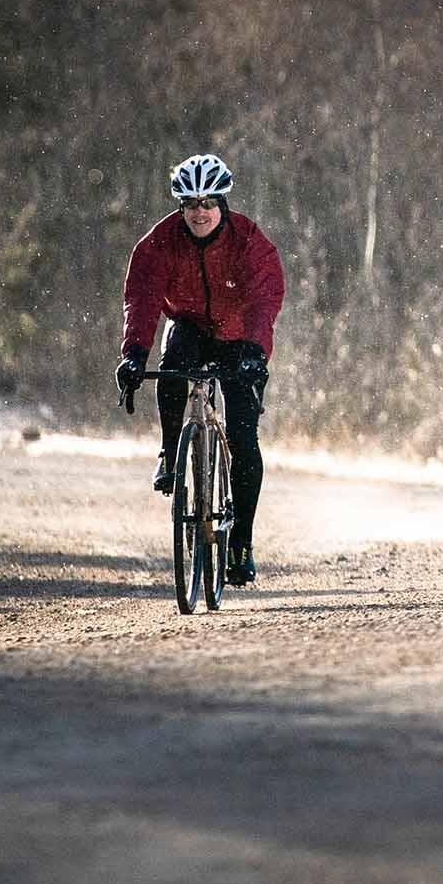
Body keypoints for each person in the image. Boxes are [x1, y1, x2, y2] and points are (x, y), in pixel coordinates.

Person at [116, 153, 286, 586]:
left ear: (223, 203)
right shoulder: (158, 243)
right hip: (188, 325)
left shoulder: (249, 240)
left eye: (208, 202)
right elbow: (142, 299)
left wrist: (255, 352)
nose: (199, 212)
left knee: (244, 438)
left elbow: (266, 300)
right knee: (172, 368)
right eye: (190, 203)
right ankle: (171, 450)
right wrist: (134, 353)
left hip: (238, 336)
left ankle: (242, 544)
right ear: (179, 206)